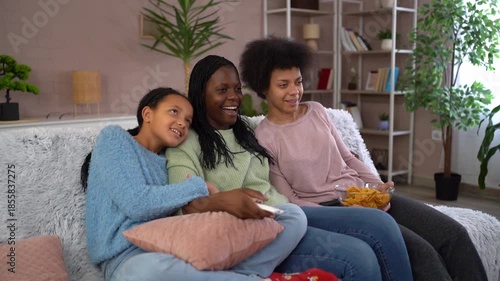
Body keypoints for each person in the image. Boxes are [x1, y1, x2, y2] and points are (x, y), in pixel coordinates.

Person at [240, 36, 488, 281]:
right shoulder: (264, 138)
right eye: (283, 85)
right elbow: (291, 200)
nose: (295, 91)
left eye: (298, 82)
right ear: (264, 88)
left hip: (363, 194)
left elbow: (348, 157)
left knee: (453, 234)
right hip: (330, 209)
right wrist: (352, 213)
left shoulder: (316, 111)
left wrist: (377, 186)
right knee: (424, 254)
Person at [167, 55, 414, 281]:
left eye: (237, 89)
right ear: (200, 95)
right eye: (222, 90)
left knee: (380, 225)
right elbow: (184, 202)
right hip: (256, 232)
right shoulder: (187, 142)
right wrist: (221, 200)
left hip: (288, 215)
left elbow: (283, 125)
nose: (234, 97)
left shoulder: (245, 127)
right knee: (359, 255)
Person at [80, 87, 335, 281]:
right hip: (127, 260)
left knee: (292, 215)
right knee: (148, 272)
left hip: (180, 249)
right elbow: (137, 203)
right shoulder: (114, 139)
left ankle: (247, 275)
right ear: (147, 113)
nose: (182, 122)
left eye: (188, 120)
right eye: (174, 112)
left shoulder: (169, 160)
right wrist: (198, 186)